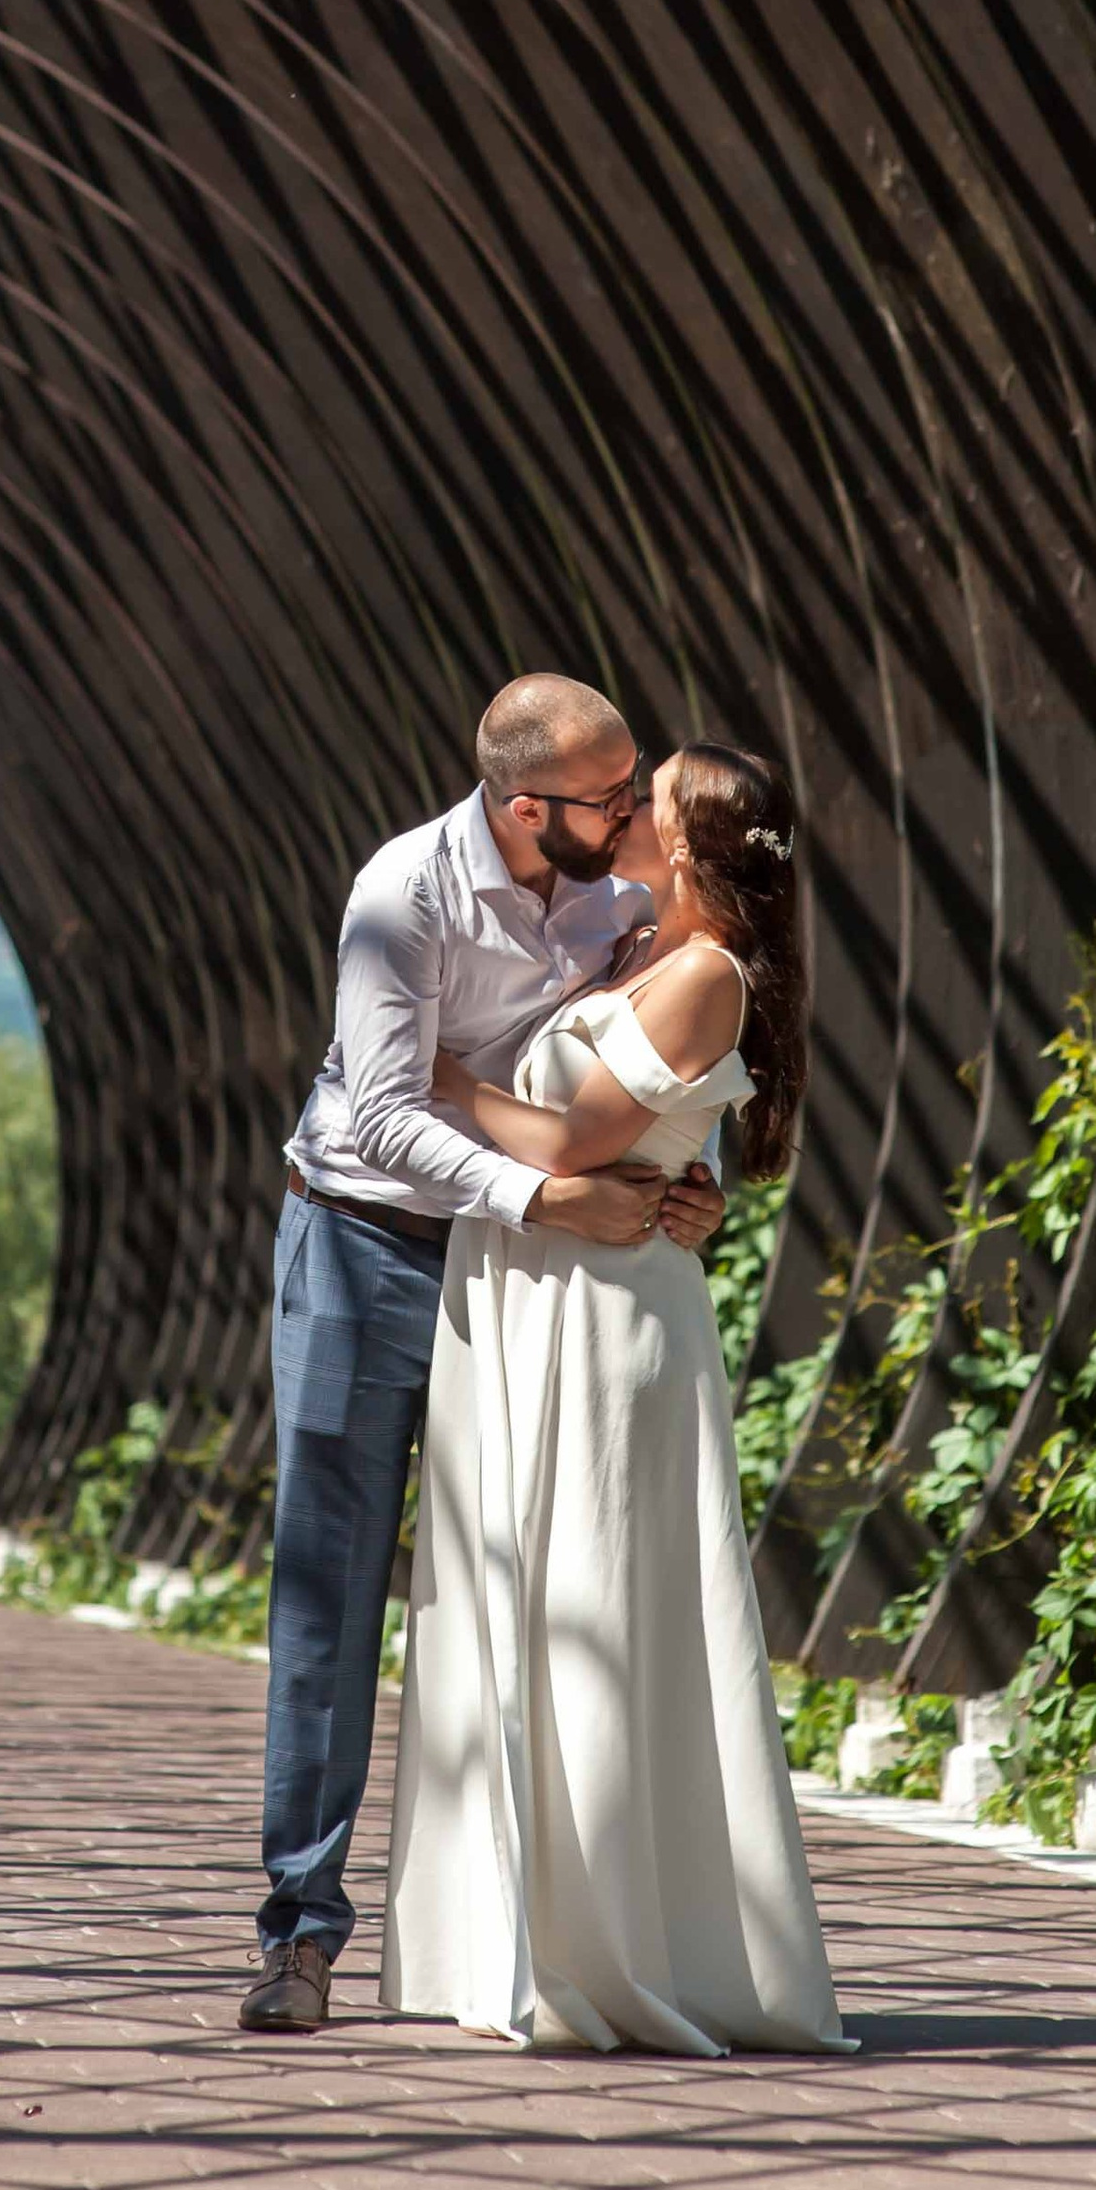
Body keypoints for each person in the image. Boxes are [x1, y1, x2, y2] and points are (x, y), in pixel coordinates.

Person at [239, 674, 729, 2035]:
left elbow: (668, 1045)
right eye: (611, 796)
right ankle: (299, 1932)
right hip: (360, 1250)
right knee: (330, 1593)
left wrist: (700, 1179)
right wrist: (548, 1196)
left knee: (516, 1591)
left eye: (637, 790)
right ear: (528, 806)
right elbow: (385, 1115)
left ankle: (515, 1931)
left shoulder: (624, 896)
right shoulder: (403, 899)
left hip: (525, 1283)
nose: (636, 814)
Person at [381, 740, 851, 2055]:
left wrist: (427, 1074)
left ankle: (611, 1950)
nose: (627, 809)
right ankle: (543, 1934)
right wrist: (687, 1184)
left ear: (691, 846)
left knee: (594, 1611)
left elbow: (570, 1143)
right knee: (532, 1604)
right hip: (550, 1299)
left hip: (602, 1323)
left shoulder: (701, 973)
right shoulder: (640, 945)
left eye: (649, 802)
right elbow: (653, 1145)